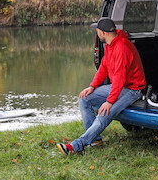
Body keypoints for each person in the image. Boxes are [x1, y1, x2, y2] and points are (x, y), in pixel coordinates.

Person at [56, 18, 146, 155]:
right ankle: (95, 140)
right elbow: (103, 68)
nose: (96, 33)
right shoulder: (110, 45)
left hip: (133, 89)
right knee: (84, 99)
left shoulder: (122, 47)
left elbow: (120, 78)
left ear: (102, 32)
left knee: (104, 113)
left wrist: (109, 102)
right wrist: (92, 86)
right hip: (119, 86)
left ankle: (75, 146)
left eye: (97, 31)